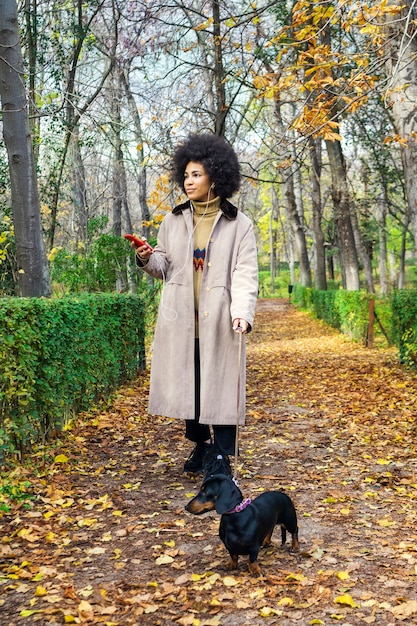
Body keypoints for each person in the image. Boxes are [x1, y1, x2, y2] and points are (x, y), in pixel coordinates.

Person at [133, 133, 258, 476]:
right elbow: (164, 267)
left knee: (220, 386)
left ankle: (221, 456)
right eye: (186, 175)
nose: (189, 181)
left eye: (196, 175)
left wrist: (241, 314)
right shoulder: (173, 220)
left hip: (220, 320)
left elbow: (246, 273)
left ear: (215, 177)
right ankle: (201, 448)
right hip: (182, 322)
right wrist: (146, 258)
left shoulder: (239, 224)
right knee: (192, 387)